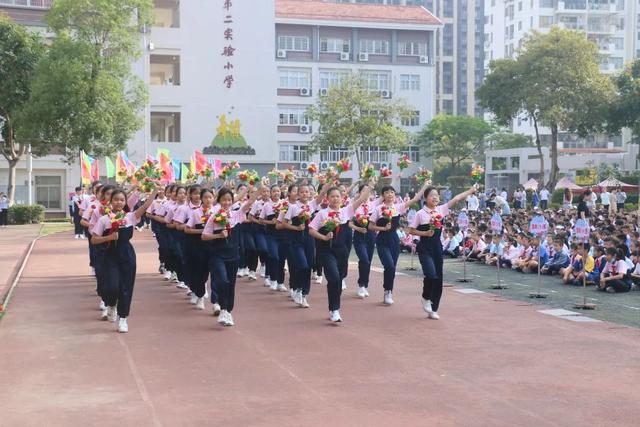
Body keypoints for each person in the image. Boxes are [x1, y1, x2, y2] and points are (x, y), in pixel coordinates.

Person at [91, 187, 158, 333]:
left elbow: (146, 206)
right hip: (109, 255)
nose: (119, 202)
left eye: (122, 200)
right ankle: (111, 304)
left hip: (127, 255)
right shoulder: (104, 219)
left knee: (126, 288)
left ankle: (123, 319)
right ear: (111, 201)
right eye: (116, 199)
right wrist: (108, 237)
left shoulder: (130, 217)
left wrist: (154, 192)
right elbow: (94, 239)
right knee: (112, 287)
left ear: (125, 202)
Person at [408, 185, 477, 320]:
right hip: (424, 248)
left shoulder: (441, 210)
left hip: (437, 248)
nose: (435, 197)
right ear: (425, 198)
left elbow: (456, 199)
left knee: (438, 278)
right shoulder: (420, 214)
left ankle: (434, 309)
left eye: (437, 195)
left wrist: (470, 191)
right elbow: (410, 230)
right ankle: (426, 297)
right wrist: (424, 233)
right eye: (432, 195)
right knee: (430, 274)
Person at [309, 181, 374, 323]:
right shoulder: (322, 214)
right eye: (332, 196)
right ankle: (335, 309)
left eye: (337, 196)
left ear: (342, 198)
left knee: (339, 278)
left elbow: (362, 199)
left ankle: (334, 305)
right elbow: (311, 230)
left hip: (342, 251)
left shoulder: (346, 211)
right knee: (334, 277)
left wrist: (370, 186)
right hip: (326, 251)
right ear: (327, 198)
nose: (335, 199)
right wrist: (324, 237)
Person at [202, 186, 259, 327]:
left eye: (229, 200)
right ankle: (222, 308)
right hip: (217, 255)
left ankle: (227, 311)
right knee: (222, 281)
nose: (226, 202)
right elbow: (204, 236)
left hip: (233, 256)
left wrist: (257, 188)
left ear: (232, 201)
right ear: (219, 201)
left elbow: (250, 202)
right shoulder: (215, 216)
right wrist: (218, 235)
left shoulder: (237, 215)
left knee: (231, 284)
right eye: (224, 200)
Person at [368, 180, 431, 306]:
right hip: (382, 240)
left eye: (392, 192)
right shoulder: (378, 209)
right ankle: (387, 291)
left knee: (392, 268)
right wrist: (382, 229)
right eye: (387, 192)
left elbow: (414, 199)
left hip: (394, 240)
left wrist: (425, 186)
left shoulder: (398, 207)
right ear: (383, 195)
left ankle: (388, 291)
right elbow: (370, 226)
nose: (390, 194)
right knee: (389, 266)